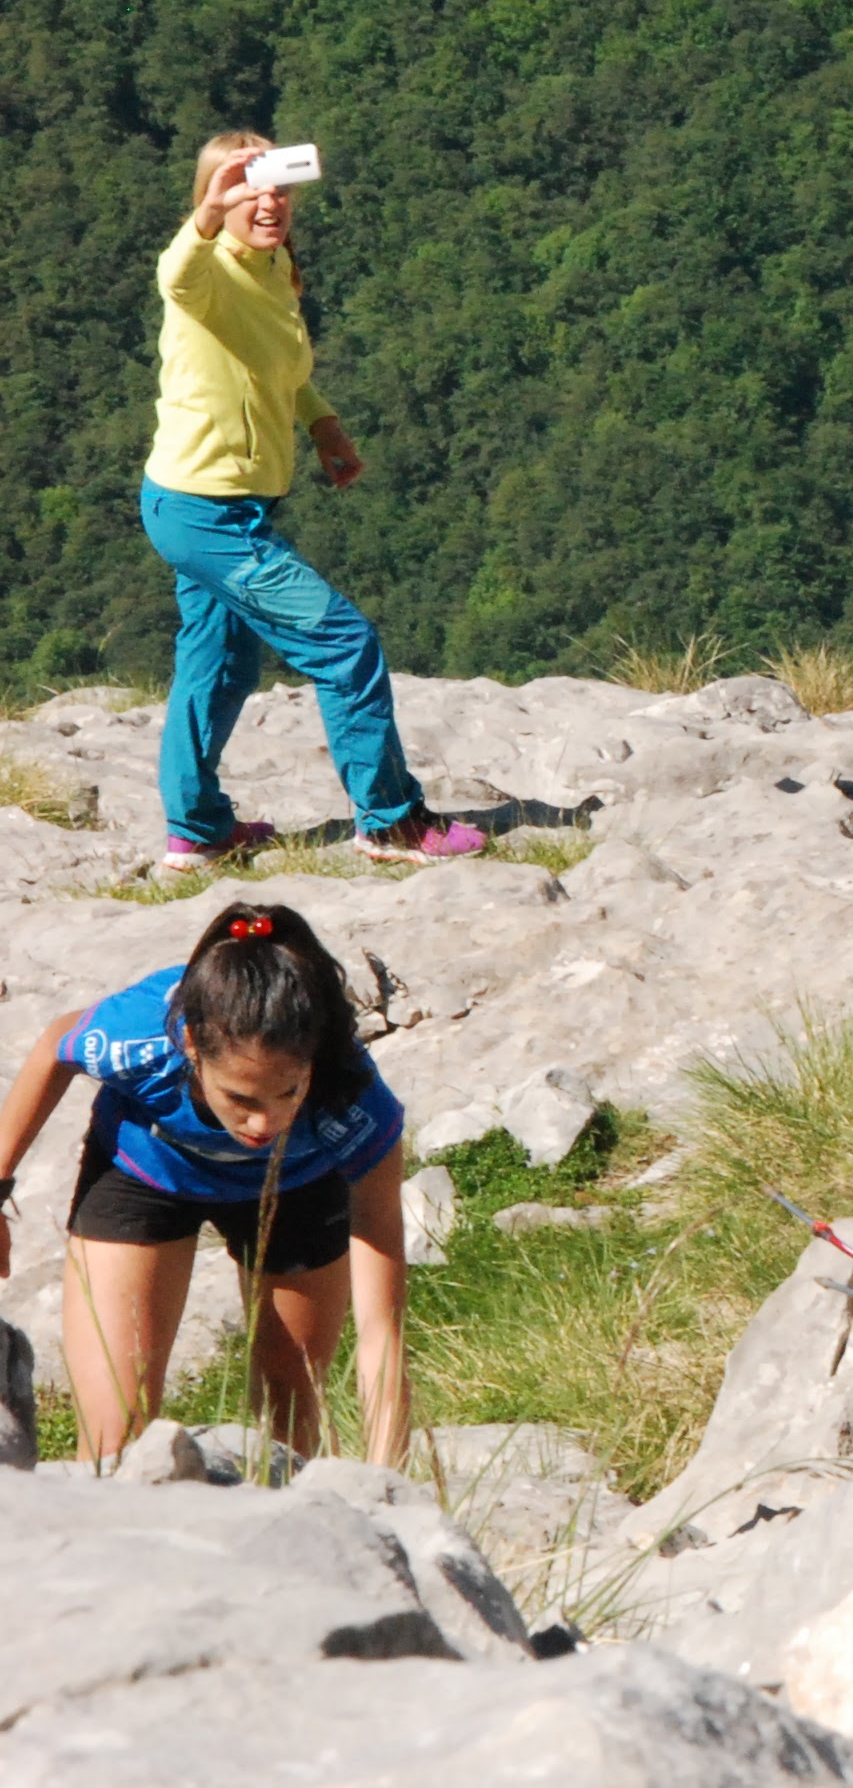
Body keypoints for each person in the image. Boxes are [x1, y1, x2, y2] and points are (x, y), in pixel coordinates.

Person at [141, 132, 479, 871]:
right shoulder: (207, 269)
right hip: (205, 512)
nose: (268, 205)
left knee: (219, 665)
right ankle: (389, 822)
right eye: (246, 191)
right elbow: (175, 275)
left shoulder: (272, 268)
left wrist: (324, 426)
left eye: (278, 189)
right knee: (344, 643)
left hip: (215, 507)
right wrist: (208, 214)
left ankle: (196, 831)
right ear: (214, 199)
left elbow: (281, 369)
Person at [0, 902, 413, 1466]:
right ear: (191, 1046)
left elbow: (382, 1330)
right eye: (241, 1097)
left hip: (298, 1187)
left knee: (290, 1419)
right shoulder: (140, 1036)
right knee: (113, 1441)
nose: (265, 1123)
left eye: (289, 1092)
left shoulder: (353, 1099)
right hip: (145, 1173)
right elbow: (56, 1045)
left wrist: (391, 1479)